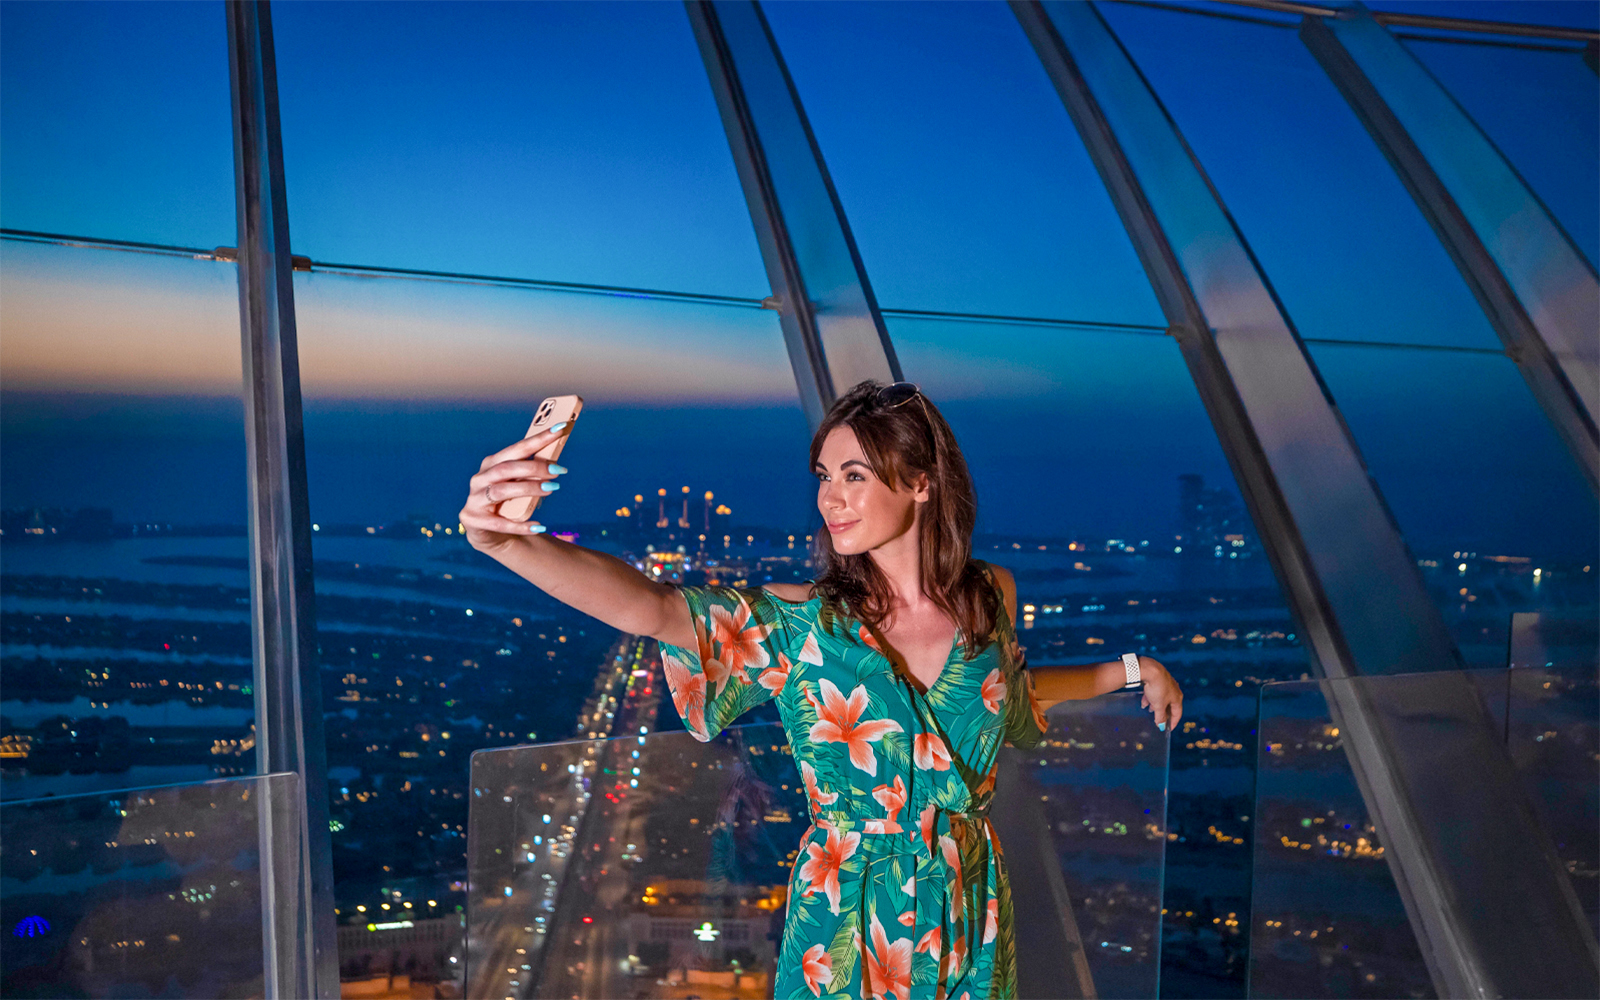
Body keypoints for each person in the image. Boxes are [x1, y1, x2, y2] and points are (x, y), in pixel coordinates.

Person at [459, 379, 1185, 1000]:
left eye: (853, 475)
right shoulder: (805, 626)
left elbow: (1010, 698)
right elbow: (653, 607)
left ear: (923, 481)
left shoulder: (990, 595)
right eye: (822, 476)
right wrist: (508, 543)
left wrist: (1130, 670)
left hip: (972, 902)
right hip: (847, 917)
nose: (828, 498)